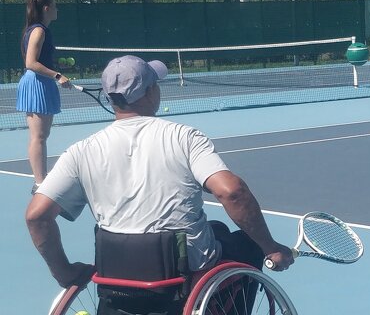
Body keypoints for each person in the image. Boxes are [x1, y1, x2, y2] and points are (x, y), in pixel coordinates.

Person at [25, 55, 295, 289]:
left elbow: (36, 217)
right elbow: (233, 193)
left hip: (116, 271)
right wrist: (271, 248)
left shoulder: (80, 150)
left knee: (218, 229)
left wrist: (64, 272)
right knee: (247, 245)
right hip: (182, 271)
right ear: (151, 92)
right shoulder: (184, 138)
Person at [17, 0, 71, 194]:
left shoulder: (39, 30)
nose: (58, 10)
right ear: (47, 9)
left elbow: (39, 60)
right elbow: (30, 63)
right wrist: (57, 75)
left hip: (41, 82)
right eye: (55, 6)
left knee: (41, 135)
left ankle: (41, 179)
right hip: (37, 83)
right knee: (39, 136)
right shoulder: (39, 31)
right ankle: (40, 182)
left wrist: (56, 65)